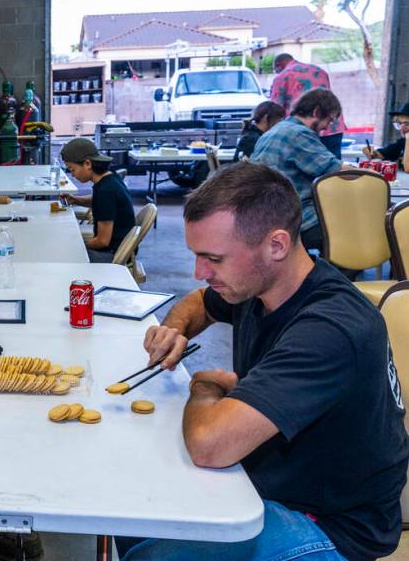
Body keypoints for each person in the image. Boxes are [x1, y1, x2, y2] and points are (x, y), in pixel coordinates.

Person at [117, 162, 408, 561]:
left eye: (213, 259)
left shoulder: (329, 329)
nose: (199, 272)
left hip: (332, 525)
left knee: (148, 554)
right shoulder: (261, 284)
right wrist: (176, 330)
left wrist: (207, 386)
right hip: (276, 483)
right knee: (127, 517)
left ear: (276, 244)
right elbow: (200, 302)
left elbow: (209, 445)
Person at [250, 88, 356, 252]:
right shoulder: (298, 134)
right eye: (329, 120)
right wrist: (375, 176)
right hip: (293, 220)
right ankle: (334, 277)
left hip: (266, 215)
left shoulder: (276, 130)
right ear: (317, 111)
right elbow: (337, 171)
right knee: (361, 229)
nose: (327, 127)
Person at [59, 137, 136, 263]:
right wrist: (75, 200)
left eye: (73, 169)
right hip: (115, 248)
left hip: (111, 255)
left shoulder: (105, 192)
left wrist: (80, 247)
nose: (72, 175)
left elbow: (102, 241)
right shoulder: (110, 178)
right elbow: (101, 202)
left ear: (88, 164)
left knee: (61, 256)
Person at [269, 53, 347, 136]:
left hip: (301, 132)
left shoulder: (281, 76)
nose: (276, 73)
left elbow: (275, 109)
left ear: (278, 65)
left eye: (275, 70)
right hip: (332, 127)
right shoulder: (319, 71)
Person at [363, 101, 409, 171]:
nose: (401, 129)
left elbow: (407, 168)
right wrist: (371, 153)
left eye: (407, 124)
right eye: (399, 124)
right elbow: (380, 155)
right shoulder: (402, 142)